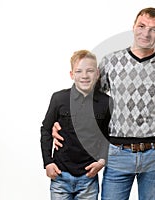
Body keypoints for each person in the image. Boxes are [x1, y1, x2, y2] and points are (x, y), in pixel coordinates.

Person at [52, 7, 155, 200]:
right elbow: (87, 97)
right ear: (133, 27)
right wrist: (61, 123)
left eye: (154, 29)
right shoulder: (111, 62)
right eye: (142, 26)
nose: (146, 33)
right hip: (117, 154)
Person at [40, 50, 112, 200]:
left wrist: (101, 160)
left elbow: (108, 135)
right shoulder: (59, 99)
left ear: (97, 73)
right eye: (79, 71)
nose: (84, 76)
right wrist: (48, 162)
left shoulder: (106, 102)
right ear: (72, 74)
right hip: (60, 175)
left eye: (90, 71)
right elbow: (46, 130)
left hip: (88, 177)